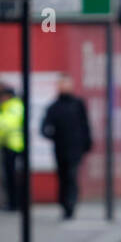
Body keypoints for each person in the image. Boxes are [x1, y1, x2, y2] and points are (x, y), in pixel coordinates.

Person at [40, 75, 93, 219]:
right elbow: (44, 126)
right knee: (63, 177)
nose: (63, 87)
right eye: (61, 84)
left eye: (66, 84)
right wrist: (49, 134)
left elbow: (85, 125)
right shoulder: (53, 106)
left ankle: (71, 204)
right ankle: (64, 205)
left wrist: (87, 143)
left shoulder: (77, 104)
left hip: (75, 148)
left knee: (71, 175)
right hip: (60, 147)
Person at [0, 84, 25, 211]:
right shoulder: (6, 107)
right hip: (6, 145)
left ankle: (14, 204)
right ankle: (10, 203)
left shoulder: (14, 106)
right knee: (7, 176)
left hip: (14, 146)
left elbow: (7, 124)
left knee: (11, 176)